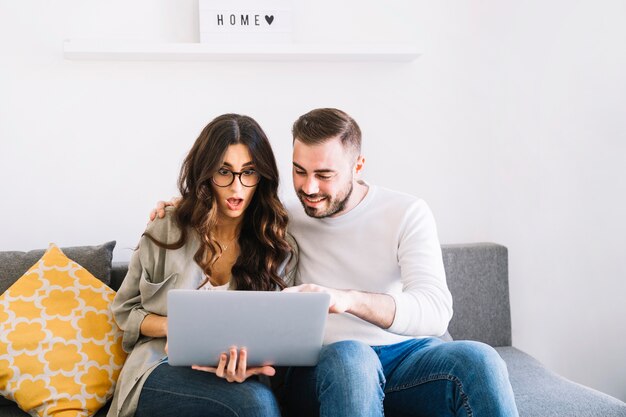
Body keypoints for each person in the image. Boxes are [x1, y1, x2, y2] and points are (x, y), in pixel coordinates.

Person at [152, 108, 519, 417]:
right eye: (299, 171)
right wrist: (177, 208)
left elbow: (436, 310)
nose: (309, 188)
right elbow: (220, 208)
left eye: (325, 175)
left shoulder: (407, 212)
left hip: (407, 359)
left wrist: (347, 300)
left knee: (478, 359)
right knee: (351, 356)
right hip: (325, 370)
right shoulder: (280, 220)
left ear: (358, 165)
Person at [109, 114, 296, 417]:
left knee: (257, 400)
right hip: (161, 365)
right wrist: (174, 327)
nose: (237, 187)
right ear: (205, 173)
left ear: (262, 176)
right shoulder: (167, 228)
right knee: (255, 405)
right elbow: (125, 310)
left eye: (248, 172)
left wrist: (250, 364)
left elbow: (283, 334)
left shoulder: (276, 243)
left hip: (239, 375)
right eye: (224, 171)